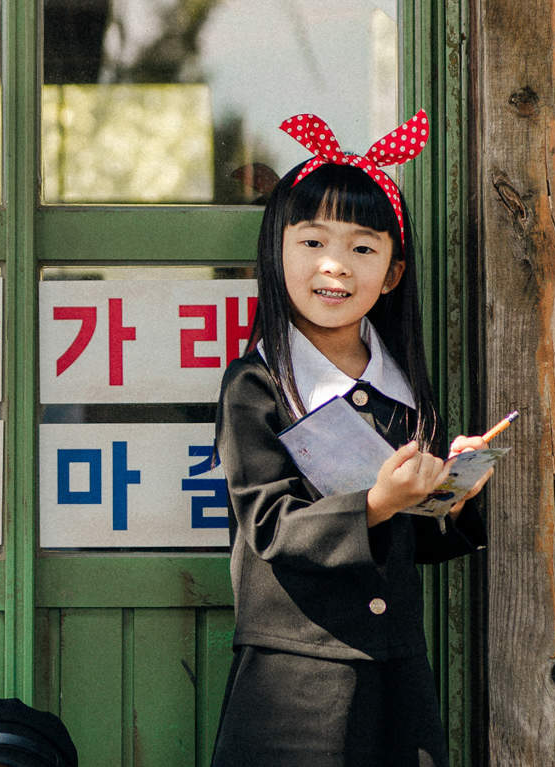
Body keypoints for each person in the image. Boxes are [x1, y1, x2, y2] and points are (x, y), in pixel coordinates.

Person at [209, 110, 491, 766]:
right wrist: (375, 502)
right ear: (276, 250)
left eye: (362, 248)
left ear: (391, 273)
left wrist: (454, 492)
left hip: (396, 668)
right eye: (311, 242)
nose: (333, 266)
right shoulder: (256, 383)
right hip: (293, 678)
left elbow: (414, 540)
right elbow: (268, 526)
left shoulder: (402, 387)